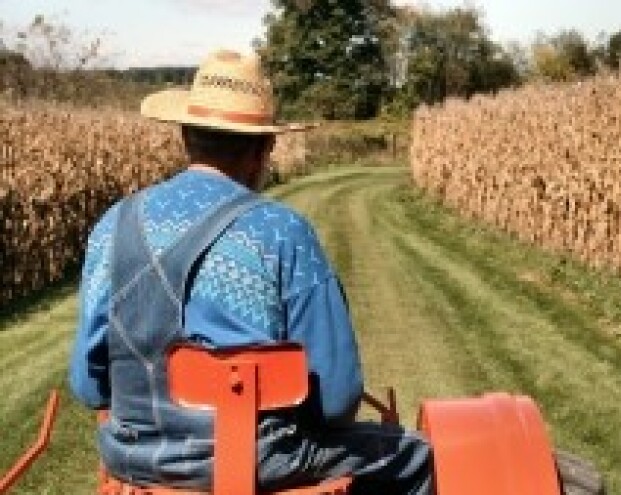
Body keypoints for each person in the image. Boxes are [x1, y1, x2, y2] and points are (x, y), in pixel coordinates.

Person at [68, 50, 434, 494]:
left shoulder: (113, 225)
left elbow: (89, 387)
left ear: (186, 136)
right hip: (262, 462)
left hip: (133, 462)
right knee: (420, 457)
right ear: (265, 147)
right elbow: (337, 400)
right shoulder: (282, 232)